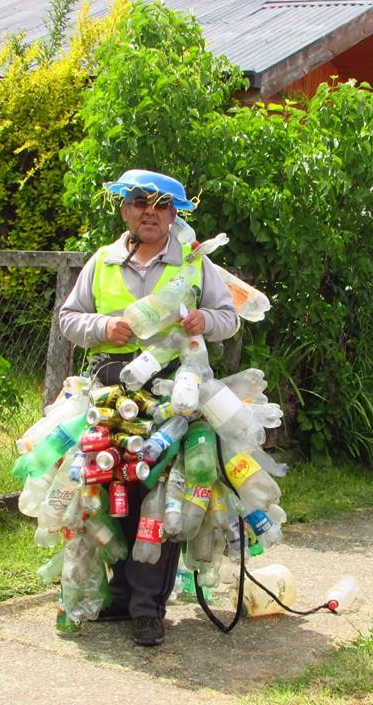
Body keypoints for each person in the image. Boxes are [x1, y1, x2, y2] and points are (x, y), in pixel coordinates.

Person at [59, 169, 238, 646]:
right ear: (125, 209)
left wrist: (205, 319)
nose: (150, 212)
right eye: (140, 202)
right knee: (108, 491)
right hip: (111, 390)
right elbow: (68, 318)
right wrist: (103, 327)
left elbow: (229, 318)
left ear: (173, 214)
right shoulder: (102, 261)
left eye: (161, 205)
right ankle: (119, 596)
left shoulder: (197, 265)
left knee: (155, 498)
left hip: (172, 392)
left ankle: (147, 608)